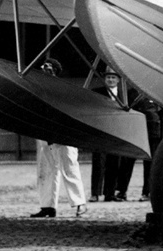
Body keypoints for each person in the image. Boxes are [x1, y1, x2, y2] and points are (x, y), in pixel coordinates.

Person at [30, 59, 87, 219]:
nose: (44, 68)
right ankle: (47, 206)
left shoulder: (63, 90)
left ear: (54, 70)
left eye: (48, 66)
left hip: (63, 135)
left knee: (69, 168)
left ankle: (79, 203)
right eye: (43, 66)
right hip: (44, 135)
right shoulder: (38, 89)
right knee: (46, 171)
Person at [100, 68, 135, 202]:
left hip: (120, 131)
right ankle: (104, 193)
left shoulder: (125, 94)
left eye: (113, 78)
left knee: (116, 163)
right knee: (105, 164)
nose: (110, 79)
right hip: (105, 130)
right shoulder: (99, 93)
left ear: (119, 80)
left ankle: (113, 193)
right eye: (108, 77)